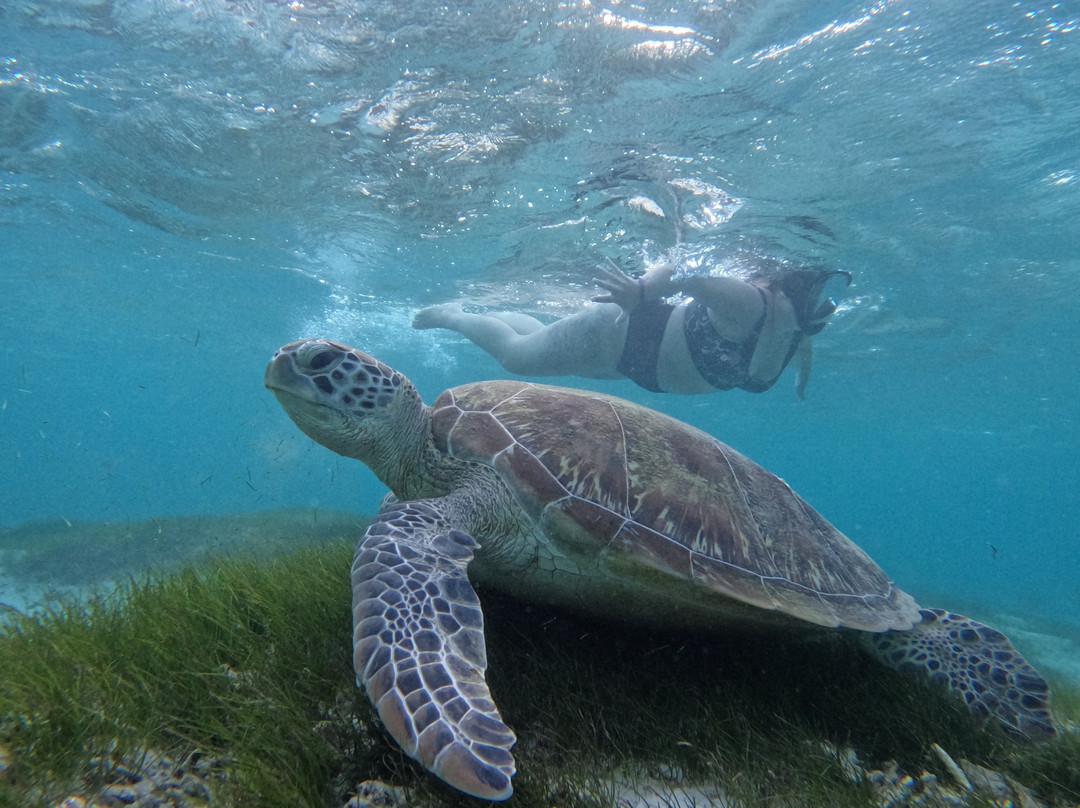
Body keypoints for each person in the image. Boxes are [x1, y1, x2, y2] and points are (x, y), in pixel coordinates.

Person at [412, 260, 851, 398]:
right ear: (789, 287)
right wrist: (641, 290)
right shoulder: (751, 303)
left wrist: (802, 384)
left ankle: (488, 314)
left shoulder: (795, 333)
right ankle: (451, 316)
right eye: (820, 296)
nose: (825, 309)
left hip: (634, 365)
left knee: (536, 340)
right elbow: (684, 273)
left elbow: (801, 356)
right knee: (515, 356)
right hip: (620, 332)